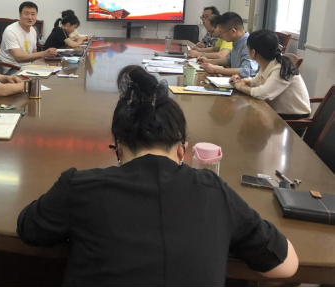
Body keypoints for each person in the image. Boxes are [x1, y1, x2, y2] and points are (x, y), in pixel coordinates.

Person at [17, 65, 298, 287]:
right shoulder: (213, 190)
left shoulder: (79, 186)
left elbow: (29, 229)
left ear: (119, 148)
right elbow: (285, 265)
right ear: (182, 149)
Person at [231, 30, 311, 120]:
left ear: (253, 52)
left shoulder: (281, 68)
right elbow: (255, 81)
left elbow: (262, 93)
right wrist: (242, 80)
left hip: (292, 119)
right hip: (275, 114)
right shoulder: (268, 62)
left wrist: (240, 87)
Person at [0, 2, 58, 73]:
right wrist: (43, 53)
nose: (30, 17)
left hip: (28, 66)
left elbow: (34, 54)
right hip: (12, 68)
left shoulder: (33, 30)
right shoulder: (11, 31)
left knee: (53, 71)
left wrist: (45, 64)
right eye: (26, 14)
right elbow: (18, 58)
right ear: (20, 15)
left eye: (33, 14)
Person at [199, 12, 259, 78]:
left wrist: (215, 69)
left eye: (222, 32)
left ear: (233, 31)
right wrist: (208, 61)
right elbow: (229, 60)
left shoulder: (248, 44)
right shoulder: (237, 41)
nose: (221, 36)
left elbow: (246, 71)